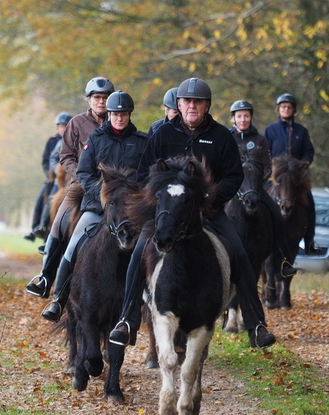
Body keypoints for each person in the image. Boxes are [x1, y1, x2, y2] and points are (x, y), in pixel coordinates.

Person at [108, 77, 277, 349]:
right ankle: (127, 320)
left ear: (207, 105)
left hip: (207, 212)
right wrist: (159, 199)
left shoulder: (221, 136)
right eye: (187, 101)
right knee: (138, 253)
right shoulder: (162, 134)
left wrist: (214, 196)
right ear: (178, 104)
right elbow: (143, 175)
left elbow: (234, 176)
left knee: (240, 253)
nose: (191, 106)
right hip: (167, 214)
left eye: (197, 102)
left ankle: (256, 323)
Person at [39, 90, 148, 321]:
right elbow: (84, 172)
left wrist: (136, 198)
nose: (119, 118)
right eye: (115, 114)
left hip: (129, 210)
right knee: (73, 246)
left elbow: (147, 176)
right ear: (109, 114)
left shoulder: (142, 142)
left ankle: (148, 301)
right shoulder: (96, 139)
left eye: (123, 114)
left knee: (151, 247)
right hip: (97, 207)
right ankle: (58, 298)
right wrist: (101, 193)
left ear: (129, 115)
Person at [26, 76, 114, 302]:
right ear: (89, 100)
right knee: (59, 222)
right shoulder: (76, 123)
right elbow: (65, 156)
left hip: (111, 187)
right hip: (79, 187)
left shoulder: (117, 120)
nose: (101, 102)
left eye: (104, 98)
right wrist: (82, 176)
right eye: (97, 98)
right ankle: (45, 277)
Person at [229, 99, 296, 278]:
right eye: (239, 116)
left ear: (251, 118)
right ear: (233, 119)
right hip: (232, 190)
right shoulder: (227, 139)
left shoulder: (260, 140)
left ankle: (284, 260)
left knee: (277, 216)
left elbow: (268, 168)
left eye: (246, 116)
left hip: (255, 189)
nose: (243, 119)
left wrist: (256, 186)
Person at [264, 93, 321, 255]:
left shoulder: (301, 131)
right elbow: (264, 150)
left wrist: (304, 162)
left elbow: (309, 152)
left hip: (296, 177)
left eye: (289, 107)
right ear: (278, 109)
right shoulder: (270, 130)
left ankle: (309, 241)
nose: (286, 109)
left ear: (294, 110)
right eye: (283, 107)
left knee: (309, 201)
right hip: (276, 177)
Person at [24, 112, 72, 242]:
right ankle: (38, 227)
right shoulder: (52, 142)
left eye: (65, 126)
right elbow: (47, 160)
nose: (63, 129)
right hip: (56, 177)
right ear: (57, 127)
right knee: (43, 199)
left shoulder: (74, 139)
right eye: (61, 126)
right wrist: (54, 172)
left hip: (71, 177)